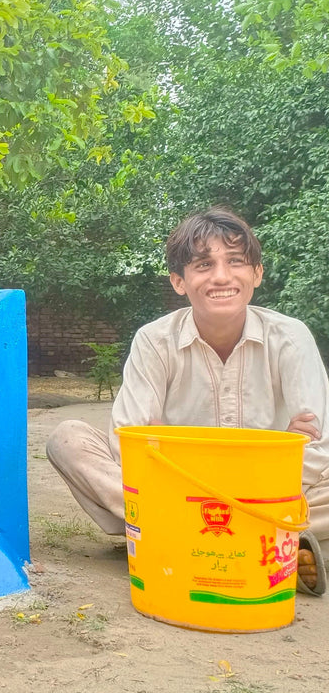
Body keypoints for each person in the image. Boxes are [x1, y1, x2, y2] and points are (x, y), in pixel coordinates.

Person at [46, 206, 329, 595]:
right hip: (178, 493)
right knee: (67, 439)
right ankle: (270, 546)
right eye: (203, 265)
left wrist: (174, 447)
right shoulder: (154, 341)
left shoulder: (291, 338)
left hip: (268, 495)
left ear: (257, 274)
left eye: (236, 261)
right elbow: (129, 440)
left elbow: (316, 447)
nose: (222, 277)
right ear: (179, 281)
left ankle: (181, 541)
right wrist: (275, 447)